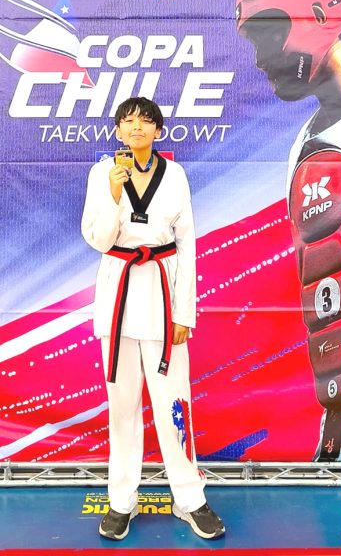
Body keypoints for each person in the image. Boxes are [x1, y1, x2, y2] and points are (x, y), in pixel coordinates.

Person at [81, 97, 225, 540]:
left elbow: (188, 245)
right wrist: (112, 194)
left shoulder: (175, 174)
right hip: (118, 297)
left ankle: (190, 498)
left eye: (145, 121)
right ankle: (121, 500)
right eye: (128, 121)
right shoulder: (102, 173)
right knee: (122, 408)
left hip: (163, 299)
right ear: (118, 131)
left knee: (174, 404)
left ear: (158, 131)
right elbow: (97, 238)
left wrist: (185, 312)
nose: (136, 127)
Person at [235, 0, 341, 461]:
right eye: (253, 42)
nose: (261, 59)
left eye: (267, 35)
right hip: (337, 405)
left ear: (320, 14)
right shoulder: (304, 142)